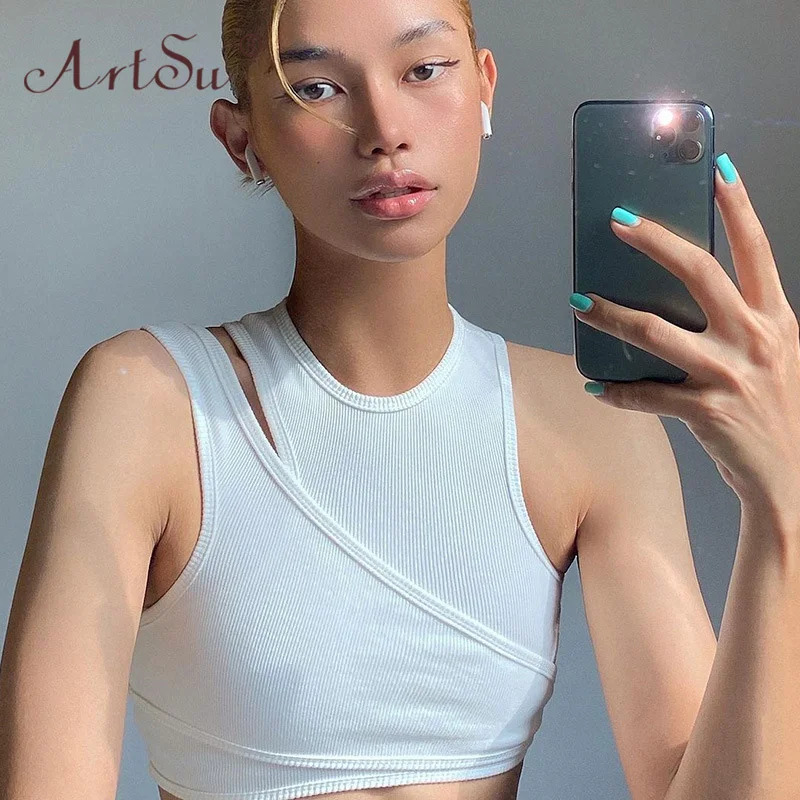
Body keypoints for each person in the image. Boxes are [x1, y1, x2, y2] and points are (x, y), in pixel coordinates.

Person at [1, 1, 608, 799]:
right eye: (316, 88)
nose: (384, 130)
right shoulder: (148, 404)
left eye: (424, 70)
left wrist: (766, 490)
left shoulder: (590, 417)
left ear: (484, 86)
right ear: (240, 137)